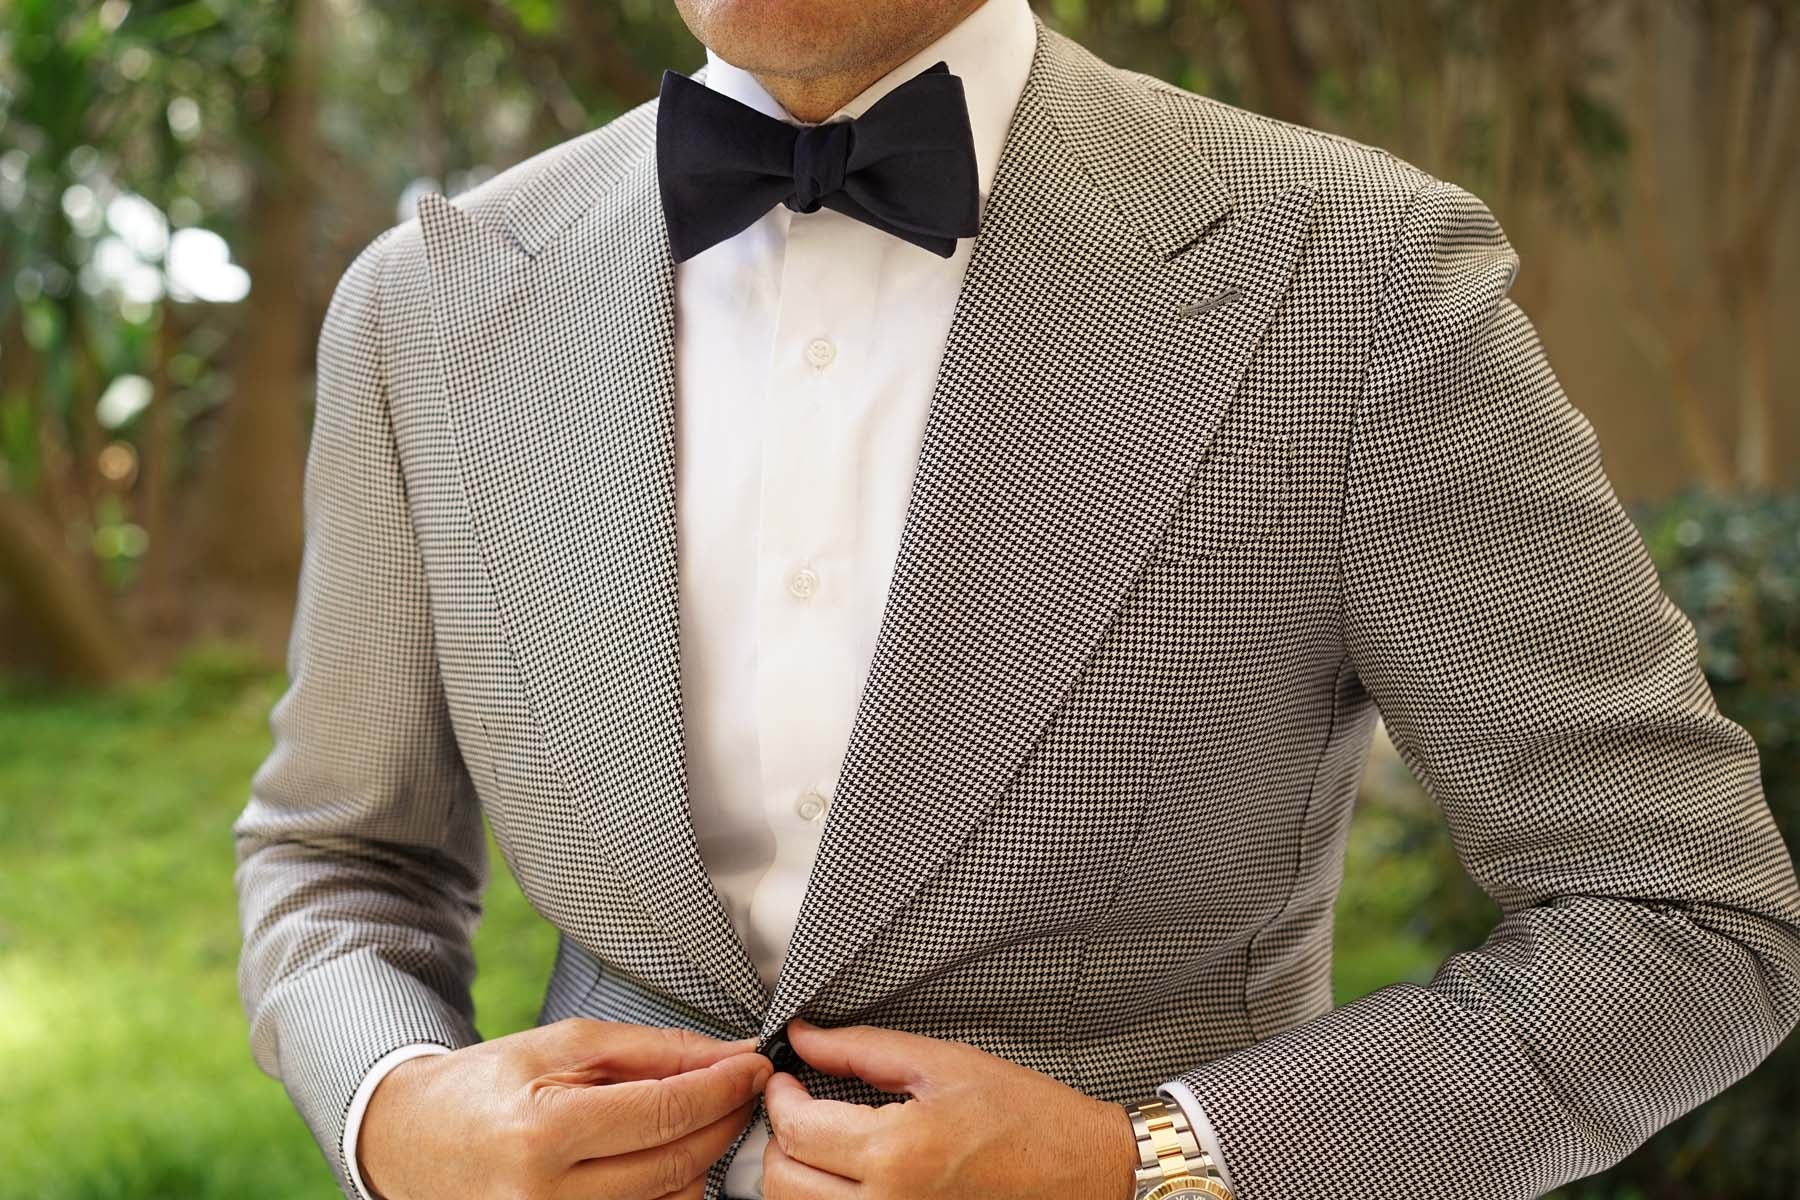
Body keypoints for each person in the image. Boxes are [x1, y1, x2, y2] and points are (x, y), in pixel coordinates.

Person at [232, 0, 1800, 1197]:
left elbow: (1686, 916)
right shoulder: (426, 306)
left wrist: (1154, 1165)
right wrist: (398, 1113)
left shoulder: (1358, 276)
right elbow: (336, 863)